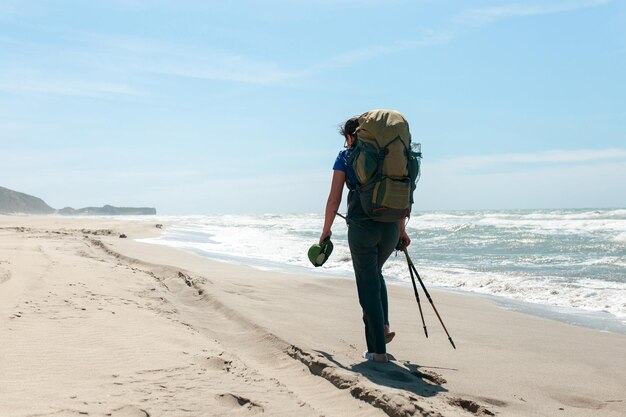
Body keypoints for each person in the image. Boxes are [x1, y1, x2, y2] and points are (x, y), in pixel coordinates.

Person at [319, 116, 411, 363]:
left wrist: (325, 231)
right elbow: (401, 195)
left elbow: (333, 199)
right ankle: (384, 327)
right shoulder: (387, 159)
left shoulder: (346, 156)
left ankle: (378, 352)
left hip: (362, 229)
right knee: (376, 274)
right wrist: (401, 231)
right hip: (391, 227)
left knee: (367, 285)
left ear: (351, 137)